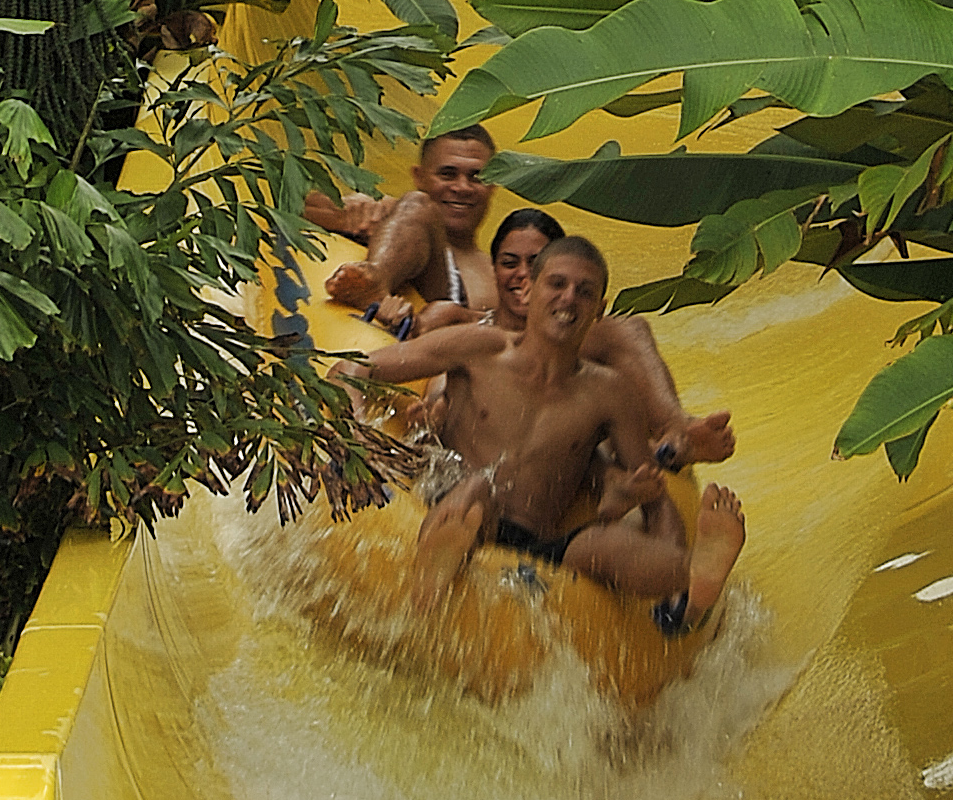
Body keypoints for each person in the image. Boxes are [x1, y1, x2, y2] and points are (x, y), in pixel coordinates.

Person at [333, 236, 746, 636]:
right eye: (557, 284)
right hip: (453, 503)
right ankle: (434, 571)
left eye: (585, 292)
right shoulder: (481, 348)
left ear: (599, 309)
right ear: (529, 291)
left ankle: (693, 573)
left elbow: (655, 499)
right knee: (480, 490)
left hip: (539, 543)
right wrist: (351, 431)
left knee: (602, 545)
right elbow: (355, 368)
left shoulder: (609, 392)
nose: (569, 299)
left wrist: (664, 544)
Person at [419, 207, 735, 469]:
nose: (522, 275)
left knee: (627, 329)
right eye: (509, 263)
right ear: (493, 268)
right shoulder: (468, 327)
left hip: (562, 451)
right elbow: (438, 370)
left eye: (535, 264)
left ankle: (677, 428)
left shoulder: (588, 340)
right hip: (482, 455)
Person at [304, 125, 498, 325]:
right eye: (447, 174)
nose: (462, 187)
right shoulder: (388, 217)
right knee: (415, 205)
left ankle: (375, 282)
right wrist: (350, 216)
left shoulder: (502, 271)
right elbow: (291, 207)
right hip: (360, 335)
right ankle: (375, 278)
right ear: (418, 176)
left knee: (417, 205)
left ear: (494, 184)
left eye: (476, 177)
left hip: (440, 338)